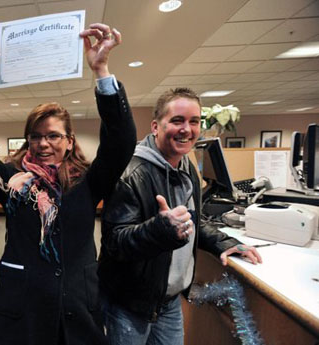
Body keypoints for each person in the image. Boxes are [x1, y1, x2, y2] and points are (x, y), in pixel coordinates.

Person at [0, 23, 136, 345]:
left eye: (53, 135)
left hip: (77, 302)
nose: (43, 144)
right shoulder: (11, 180)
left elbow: (121, 141)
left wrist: (101, 70)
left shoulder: (88, 181)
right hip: (24, 302)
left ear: (69, 140)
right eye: (35, 136)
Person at [98, 87, 262, 345]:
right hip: (130, 303)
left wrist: (224, 242)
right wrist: (159, 231)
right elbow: (114, 243)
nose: (187, 129)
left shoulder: (185, 166)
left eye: (193, 121)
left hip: (170, 300)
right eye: (177, 120)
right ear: (155, 126)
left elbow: (193, 220)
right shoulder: (130, 174)